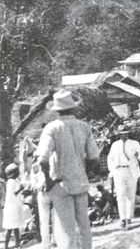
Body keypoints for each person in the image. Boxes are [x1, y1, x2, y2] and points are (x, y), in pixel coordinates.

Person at [36, 89, 100, 249]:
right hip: (80, 181)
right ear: (73, 108)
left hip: (61, 183)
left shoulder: (52, 128)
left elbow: (42, 160)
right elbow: (94, 158)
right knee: (85, 227)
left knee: (66, 230)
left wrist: (48, 180)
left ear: (57, 110)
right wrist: (86, 172)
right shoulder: (84, 127)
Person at [107, 126, 140, 229]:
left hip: (131, 170)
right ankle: (122, 218)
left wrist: (137, 157)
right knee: (120, 195)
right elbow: (110, 159)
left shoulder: (134, 143)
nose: (124, 135)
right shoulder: (115, 145)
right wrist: (112, 172)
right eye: (122, 133)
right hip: (119, 170)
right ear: (119, 134)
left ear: (128, 133)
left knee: (130, 195)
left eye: (126, 133)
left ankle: (129, 217)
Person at [3, 164, 25, 249]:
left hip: (15, 207)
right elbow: (14, 194)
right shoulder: (10, 182)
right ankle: (6, 246)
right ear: (13, 173)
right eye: (17, 171)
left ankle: (17, 244)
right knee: (10, 228)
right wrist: (21, 189)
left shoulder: (15, 181)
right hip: (11, 208)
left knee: (16, 227)